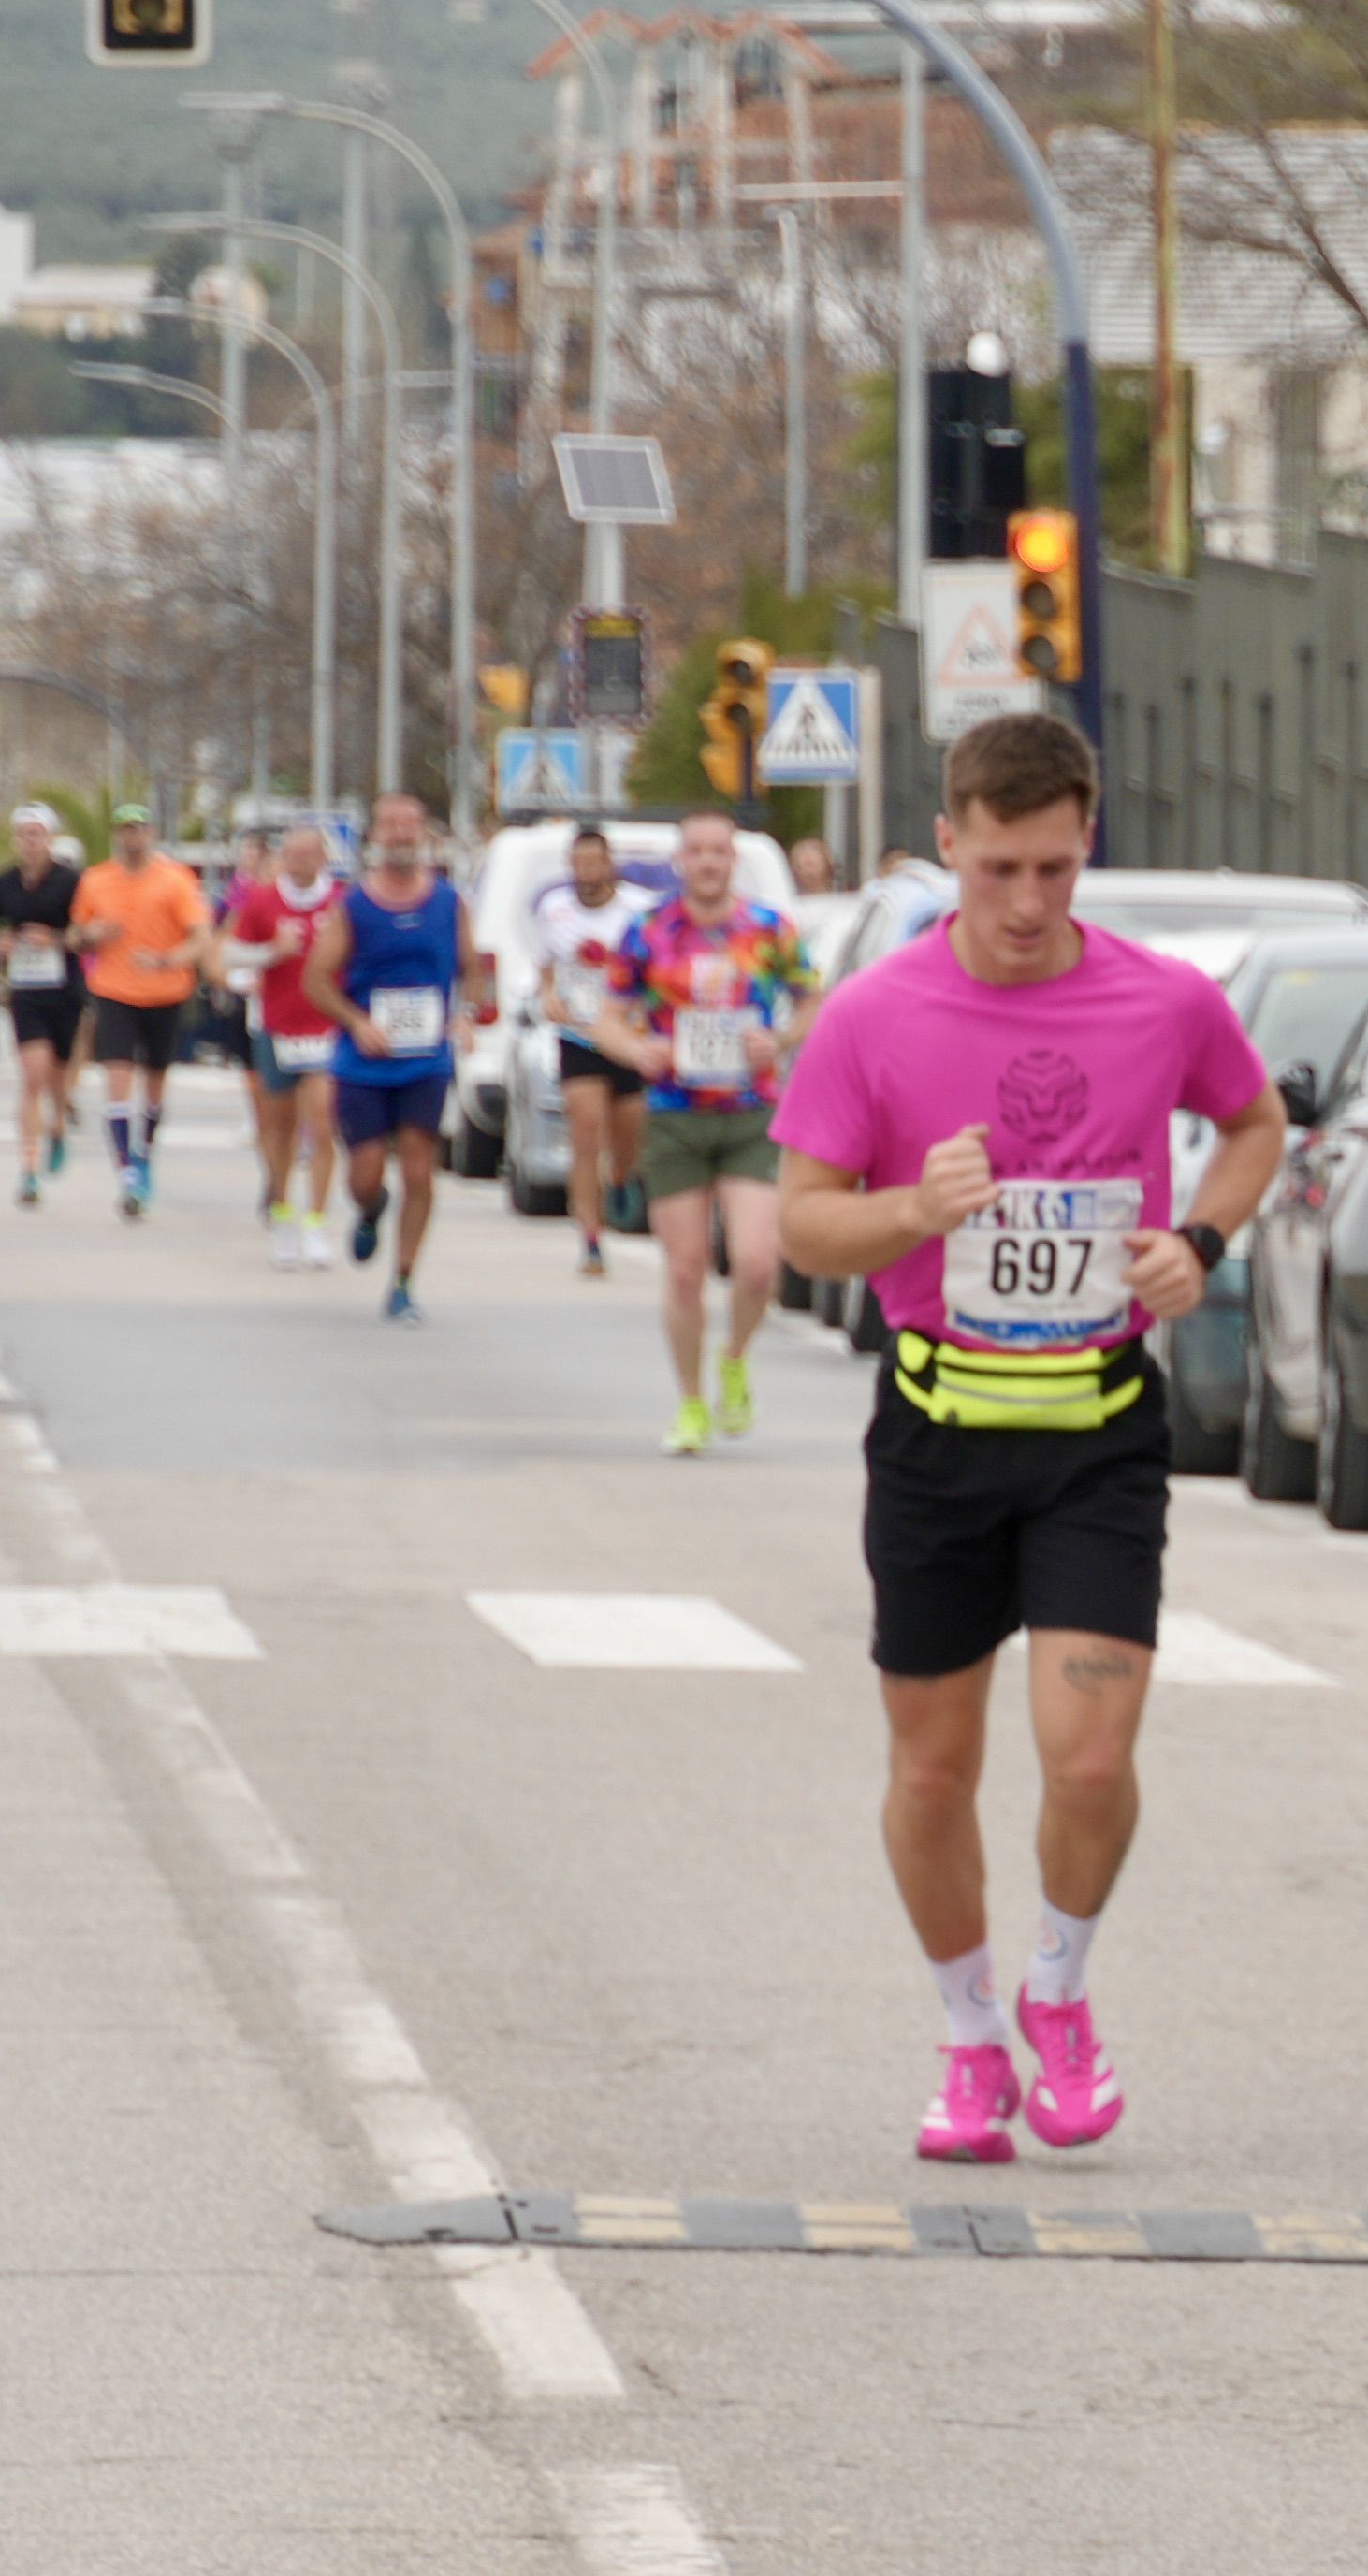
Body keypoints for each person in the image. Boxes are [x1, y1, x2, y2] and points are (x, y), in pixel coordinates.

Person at [773, 710, 1288, 2165]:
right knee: (932, 1772)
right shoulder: (873, 1016)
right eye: (997, 867)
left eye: (1055, 869)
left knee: (1086, 1762)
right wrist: (910, 1215)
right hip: (938, 1429)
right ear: (947, 845)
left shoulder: (1165, 1002)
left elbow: (1252, 1130)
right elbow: (804, 1212)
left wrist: (1201, 1238)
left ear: (1087, 846)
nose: (1025, 902)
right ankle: (965, 2036)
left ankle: (1058, 1993)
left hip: (1097, 1433)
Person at [579, 805, 819, 1452]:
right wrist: (636, 1052)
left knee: (758, 1263)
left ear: (732, 860)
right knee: (684, 1270)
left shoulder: (769, 930)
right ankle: (689, 1404)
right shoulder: (649, 930)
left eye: (720, 851)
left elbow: (816, 1000)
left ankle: (734, 1356)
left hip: (751, 1112)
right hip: (676, 1116)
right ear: (680, 862)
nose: (709, 862)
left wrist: (783, 1039)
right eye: (698, 851)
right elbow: (605, 1017)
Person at [294, 792, 466, 1321]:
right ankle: (370, 1208)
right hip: (365, 1064)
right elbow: (316, 980)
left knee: (420, 1170)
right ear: (374, 837)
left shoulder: (448, 903)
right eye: (390, 825)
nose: (400, 834)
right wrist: (357, 1023)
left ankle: (403, 1282)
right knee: (364, 1175)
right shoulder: (354, 907)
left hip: (426, 1060)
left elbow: (474, 969)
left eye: (409, 825)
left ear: (424, 836)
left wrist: (467, 1013)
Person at [531, 822, 661, 1279]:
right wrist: (547, 996)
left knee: (629, 1133)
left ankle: (622, 1176)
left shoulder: (639, 909)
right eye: (578, 862)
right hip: (579, 1034)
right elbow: (545, 967)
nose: (586, 871)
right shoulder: (554, 910)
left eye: (594, 862)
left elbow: (655, 969)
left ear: (610, 865)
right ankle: (590, 1237)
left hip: (627, 1035)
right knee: (585, 1131)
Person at [68, 806, 208, 1219]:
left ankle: (145, 1151)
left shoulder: (176, 879)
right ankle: (127, 1174)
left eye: (139, 830)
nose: (132, 838)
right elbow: (75, 934)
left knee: (155, 1084)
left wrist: (168, 959)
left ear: (151, 833)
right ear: (116, 835)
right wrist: (90, 935)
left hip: (166, 993)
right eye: (125, 830)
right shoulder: (96, 880)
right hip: (114, 991)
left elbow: (201, 938)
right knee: (117, 1077)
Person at [220, 819, 348, 1266]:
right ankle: (282, 1213)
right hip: (277, 1027)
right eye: (291, 855)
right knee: (278, 1130)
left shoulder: (340, 903)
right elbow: (231, 954)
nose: (298, 862)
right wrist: (271, 952)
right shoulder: (262, 900)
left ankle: (316, 1223)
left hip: (326, 1028)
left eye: (307, 854)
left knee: (323, 1122)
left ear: (324, 858)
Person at [0, 803, 88, 1199]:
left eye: (38, 833)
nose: (31, 841)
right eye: (24, 834)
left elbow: (85, 933)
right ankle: (28, 1168)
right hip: (24, 991)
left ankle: (57, 1124)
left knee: (57, 1079)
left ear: (50, 838)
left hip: (64, 991)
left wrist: (56, 940)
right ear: (16, 839)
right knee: (33, 1075)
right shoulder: (3, 884)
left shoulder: (72, 882)